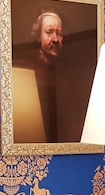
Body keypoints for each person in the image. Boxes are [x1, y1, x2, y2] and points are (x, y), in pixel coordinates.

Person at [12, 11, 69, 143]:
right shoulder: (27, 69)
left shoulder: (67, 69)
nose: (55, 39)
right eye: (49, 32)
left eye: (59, 33)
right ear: (38, 36)